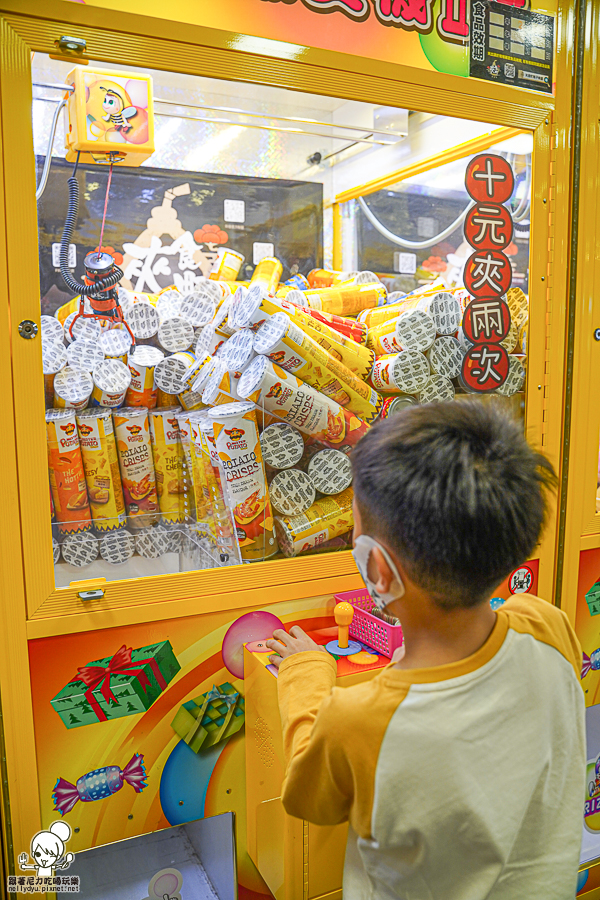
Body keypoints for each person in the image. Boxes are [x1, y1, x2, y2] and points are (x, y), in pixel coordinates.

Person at [266, 400, 585, 900]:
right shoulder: (545, 625)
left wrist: (307, 671)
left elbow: (310, 798)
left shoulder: (362, 721)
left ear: (379, 570)